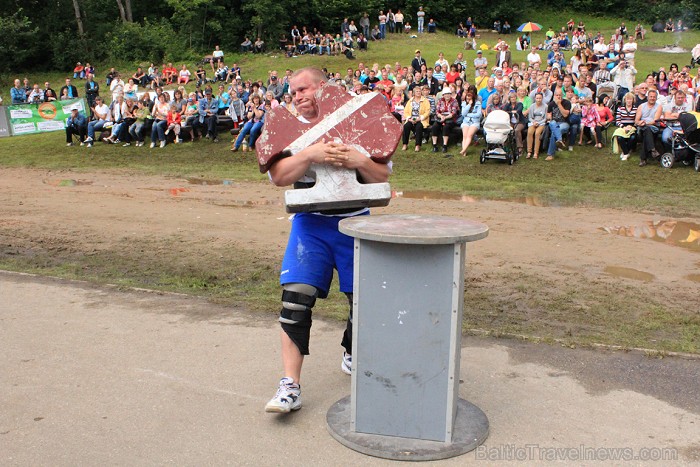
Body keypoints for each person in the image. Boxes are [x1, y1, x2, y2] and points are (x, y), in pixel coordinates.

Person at [263, 67, 392, 413]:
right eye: (292, 93)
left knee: (363, 303)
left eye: (303, 89)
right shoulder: (290, 131)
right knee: (295, 301)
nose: (297, 96)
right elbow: (278, 176)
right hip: (311, 226)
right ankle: (290, 385)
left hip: (355, 224)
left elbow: (381, 176)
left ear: (325, 88)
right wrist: (310, 154)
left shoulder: (359, 123)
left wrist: (359, 159)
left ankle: (352, 351)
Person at [634, 89, 662, 166]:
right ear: (647, 97)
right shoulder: (641, 106)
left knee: (648, 130)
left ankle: (643, 159)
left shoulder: (659, 107)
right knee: (647, 130)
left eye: (654, 97)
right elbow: (636, 120)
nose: (652, 98)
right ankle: (653, 150)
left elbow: (655, 120)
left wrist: (645, 123)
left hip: (653, 128)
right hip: (642, 128)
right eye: (651, 96)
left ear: (656, 98)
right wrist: (640, 123)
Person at [545, 89, 571, 160]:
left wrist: (559, 104)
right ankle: (559, 140)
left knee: (554, 133)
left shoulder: (567, 103)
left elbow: (565, 115)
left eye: (560, 95)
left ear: (562, 95)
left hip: (564, 123)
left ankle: (550, 154)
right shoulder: (551, 104)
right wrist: (549, 116)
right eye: (557, 95)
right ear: (554, 96)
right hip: (554, 123)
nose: (558, 97)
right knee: (552, 123)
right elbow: (548, 115)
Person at [402, 86, 430, 152]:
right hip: (411, 118)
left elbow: (427, 111)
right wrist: (409, 118)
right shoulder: (410, 101)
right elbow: (405, 111)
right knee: (406, 126)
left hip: (421, 119)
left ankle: (418, 145)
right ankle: (405, 144)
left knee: (419, 127)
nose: (418, 92)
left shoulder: (425, 101)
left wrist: (420, 118)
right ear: (414, 93)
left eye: (419, 91)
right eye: (417, 91)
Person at [430, 87, 459, 153]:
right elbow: (437, 111)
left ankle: (444, 146)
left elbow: (453, 112)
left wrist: (445, 118)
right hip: (440, 118)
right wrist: (441, 116)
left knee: (446, 127)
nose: (447, 95)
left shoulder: (454, 101)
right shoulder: (440, 100)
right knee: (435, 126)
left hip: (450, 118)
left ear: (450, 94)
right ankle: (435, 145)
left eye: (448, 94)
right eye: (446, 94)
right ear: (443, 95)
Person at [459, 87, 482, 156]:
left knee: (469, 135)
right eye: (467, 99)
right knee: (465, 136)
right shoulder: (464, 103)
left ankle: (463, 150)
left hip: (475, 122)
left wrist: (469, 115)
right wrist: (469, 105)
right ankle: (464, 152)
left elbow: (479, 114)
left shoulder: (478, 103)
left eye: (469, 99)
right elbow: (463, 114)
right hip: (466, 122)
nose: (468, 100)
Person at [526, 92, 547, 158]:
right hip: (533, 122)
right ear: (535, 98)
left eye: (540, 98)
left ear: (542, 98)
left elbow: (545, 118)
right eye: (537, 98)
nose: (538, 100)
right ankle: (529, 151)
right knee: (530, 132)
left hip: (541, 122)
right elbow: (530, 117)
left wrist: (539, 123)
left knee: (537, 133)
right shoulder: (532, 106)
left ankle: (536, 152)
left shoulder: (545, 106)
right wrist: (534, 122)